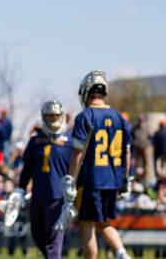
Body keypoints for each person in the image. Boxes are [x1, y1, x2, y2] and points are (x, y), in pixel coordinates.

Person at [61, 71, 133, 259]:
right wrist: (125, 180)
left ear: (86, 91)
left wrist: (70, 180)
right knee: (105, 224)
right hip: (113, 181)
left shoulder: (85, 116)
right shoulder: (120, 118)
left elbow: (77, 153)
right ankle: (122, 254)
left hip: (92, 180)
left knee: (87, 225)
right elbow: (127, 152)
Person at [5, 100, 72, 259]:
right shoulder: (35, 141)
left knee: (53, 240)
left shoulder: (70, 142)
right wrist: (20, 189)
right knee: (37, 234)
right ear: (43, 117)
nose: (53, 119)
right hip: (37, 196)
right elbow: (27, 169)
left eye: (56, 116)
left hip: (58, 198)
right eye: (49, 116)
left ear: (62, 116)